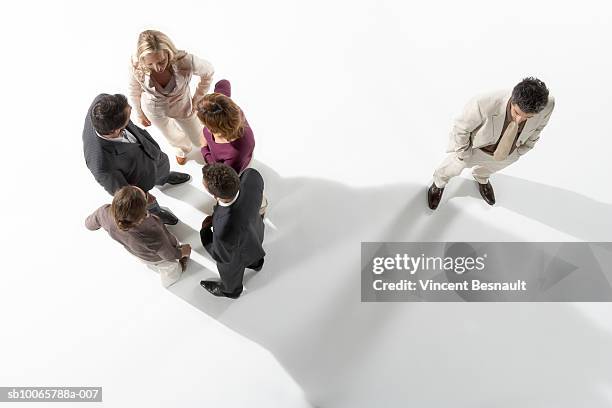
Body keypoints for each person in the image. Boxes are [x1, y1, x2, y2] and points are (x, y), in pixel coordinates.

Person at [428, 77, 555, 210]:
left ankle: (481, 178)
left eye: (528, 117)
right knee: (451, 168)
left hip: (509, 152)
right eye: (517, 112)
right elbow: (461, 129)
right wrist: (463, 153)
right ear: (513, 99)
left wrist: (521, 150)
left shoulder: (548, 105)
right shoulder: (482, 103)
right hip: (475, 148)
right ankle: (438, 183)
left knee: (490, 169)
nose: (520, 119)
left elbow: (539, 127)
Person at [83, 93, 190, 225]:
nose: (131, 110)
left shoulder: (102, 103)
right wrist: (143, 198)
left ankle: (164, 177)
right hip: (140, 181)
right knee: (146, 203)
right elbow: (123, 192)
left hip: (150, 152)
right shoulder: (101, 165)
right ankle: (155, 212)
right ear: (114, 130)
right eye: (128, 116)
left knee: (162, 168)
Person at [129, 30, 214, 165]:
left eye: (161, 61)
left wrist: (197, 100)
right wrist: (139, 113)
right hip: (154, 109)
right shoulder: (136, 65)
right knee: (170, 133)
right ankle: (182, 148)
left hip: (183, 106)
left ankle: (207, 145)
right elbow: (134, 90)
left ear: (168, 52)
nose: (157, 68)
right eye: (150, 64)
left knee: (197, 135)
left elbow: (208, 73)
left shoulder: (186, 61)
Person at [85, 186, 191, 288]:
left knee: (148, 261)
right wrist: (182, 252)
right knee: (170, 268)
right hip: (157, 258)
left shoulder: (104, 212)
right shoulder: (152, 230)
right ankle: (172, 278)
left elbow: (89, 224)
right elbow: (169, 255)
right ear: (143, 210)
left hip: (138, 252)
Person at [199, 164, 265, 299]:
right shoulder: (252, 176)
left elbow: (221, 255)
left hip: (236, 253)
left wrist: (205, 232)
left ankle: (231, 291)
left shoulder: (224, 228)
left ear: (215, 196)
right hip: (256, 230)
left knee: (229, 271)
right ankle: (257, 263)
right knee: (255, 247)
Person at [196, 79, 255, 174]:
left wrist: (204, 149)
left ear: (214, 128)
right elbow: (224, 83)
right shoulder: (229, 110)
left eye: (205, 123)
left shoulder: (235, 153)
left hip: (234, 168)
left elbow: (220, 171)